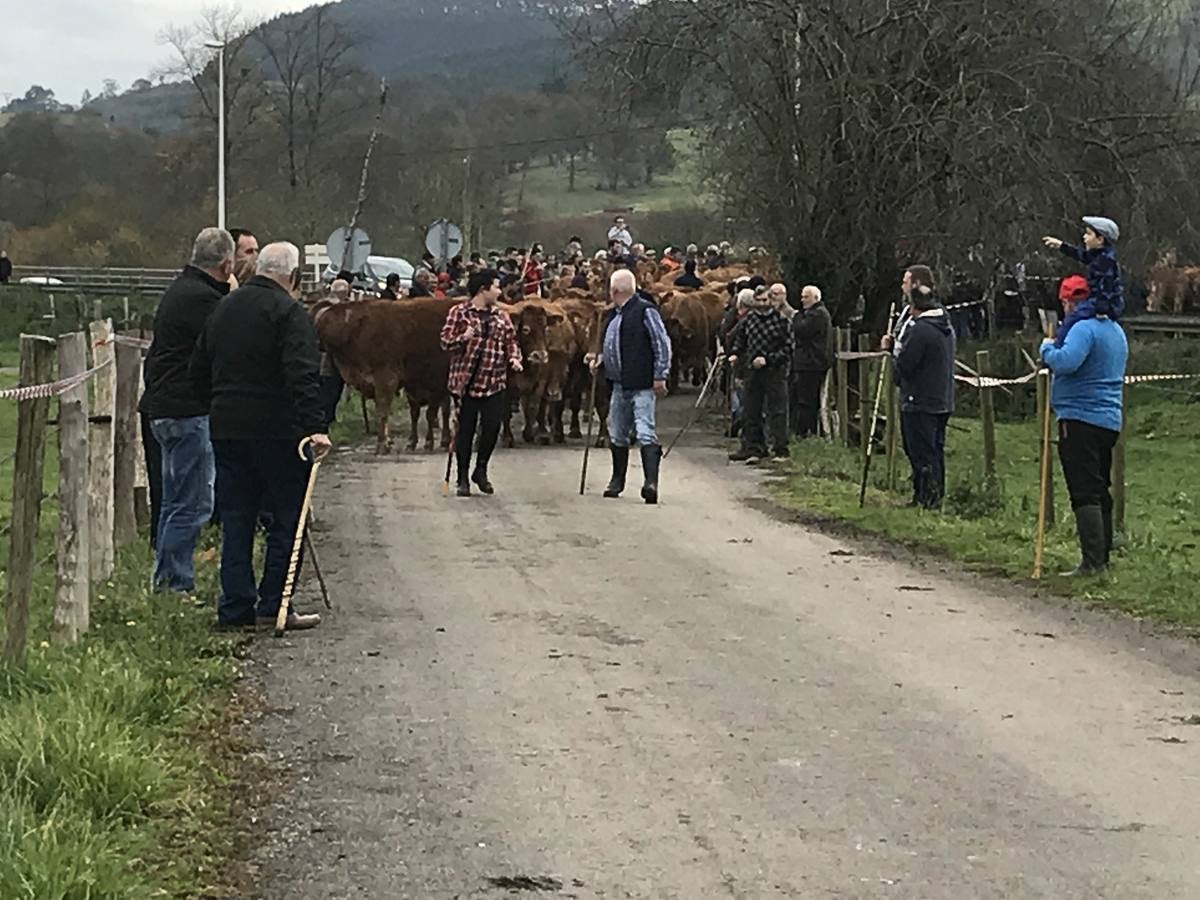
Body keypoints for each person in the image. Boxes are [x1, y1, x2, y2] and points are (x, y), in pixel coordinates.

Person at [190, 241, 329, 631]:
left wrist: (217, 406)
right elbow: (302, 374)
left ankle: (234, 609)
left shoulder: (223, 308)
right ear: (294, 277)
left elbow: (198, 367)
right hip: (278, 433)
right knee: (288, 519)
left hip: (228, 428)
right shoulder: (289, 313)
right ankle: (275, 605)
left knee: (237, 519)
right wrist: (314, 426)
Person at [139, 227, 234, 594]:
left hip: (164, 407)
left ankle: (166, 576)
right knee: (193, 504)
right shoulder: (203, 300)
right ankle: (174, 583)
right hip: (186, 411)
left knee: (175, 500)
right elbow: (226, 338)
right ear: (226, 264)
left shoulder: (181, 290)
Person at [1040, 274, 1128, 575]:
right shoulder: (1115, 330)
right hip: (1108, 419)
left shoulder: (1082, 329)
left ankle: (1092, 562)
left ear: (1067, 302)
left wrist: (1046, 349)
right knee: (1100, 486)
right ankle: (1101, 558)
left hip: (1079, 417)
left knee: (1084, 489)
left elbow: (1066, 361)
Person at [589, 268, 671, 504]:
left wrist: (660, 375)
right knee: (618, 433)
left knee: (645, 430)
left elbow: (661, 343)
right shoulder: (612, 316)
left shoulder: (646, 311)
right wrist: (599, 360)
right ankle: (617, 481)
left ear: (614, 290)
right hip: (618, 383)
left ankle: (650, 483)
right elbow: (610, 346)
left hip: (642, 382)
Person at [441, 269, 523, 496]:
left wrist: (514, 358)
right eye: (495, 287)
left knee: (491, 428)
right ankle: (462, 477)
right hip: (465, 383)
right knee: (464, 431)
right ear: (483, 289)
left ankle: (481, 469)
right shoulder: (458, 313)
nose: (499, 291)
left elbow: (511, 341)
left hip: (494, 382)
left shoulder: (501, 316)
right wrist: (462, 338)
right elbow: (445, 342)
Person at [882, 265, 955, 508]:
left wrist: (892, 355)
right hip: (940, 397)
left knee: (921, 450)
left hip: (920, 397)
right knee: (934, 450)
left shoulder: (922, 330)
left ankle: (927, 497)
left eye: (905, 282)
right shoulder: (943, 325)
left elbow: (906, 363)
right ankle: (931, 495)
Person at [727, 284, 793, 462]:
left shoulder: (781, 321)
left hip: (775, 372)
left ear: (771, 300)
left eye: (765, 300)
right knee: (751, 411)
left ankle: (780, 449)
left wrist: (768, 359)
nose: (762, 304)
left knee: (777, 411)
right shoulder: (749, 320)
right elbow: (740, 340)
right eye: (758, 301)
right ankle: (754, 448)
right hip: (752, 372)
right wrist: (734, 354)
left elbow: (787, 348)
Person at [1041, 216, 1125, 334]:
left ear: (1100, 239)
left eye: (1088, 234)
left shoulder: (1104, 261)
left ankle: (1058, 348)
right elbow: (1081, 255)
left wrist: (1102, 311)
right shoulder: (1099, 256)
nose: (1084, 237)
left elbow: (1106, 287)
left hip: (1102, 305)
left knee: (1069, 321)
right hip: (1099, 303)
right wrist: (1061, 245)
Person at [790, 284, 833, 438]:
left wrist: (796, 317)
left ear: (816, 298)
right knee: (805, 398)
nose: (802, 300)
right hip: (811, 361)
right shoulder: (816, 313)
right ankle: (805, 430)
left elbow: (801, 330)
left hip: (812, 362)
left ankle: (806, 431)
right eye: (802, 297)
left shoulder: (817, 315)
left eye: (806, 297)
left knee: (806, 399)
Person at [318, 279, 351, 429]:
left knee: (335, 390)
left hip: (339, 357)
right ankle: (325, 420)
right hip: (328, 356)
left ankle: (330, 417)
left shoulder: (344, 307)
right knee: (329, 390)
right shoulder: (329, 309)